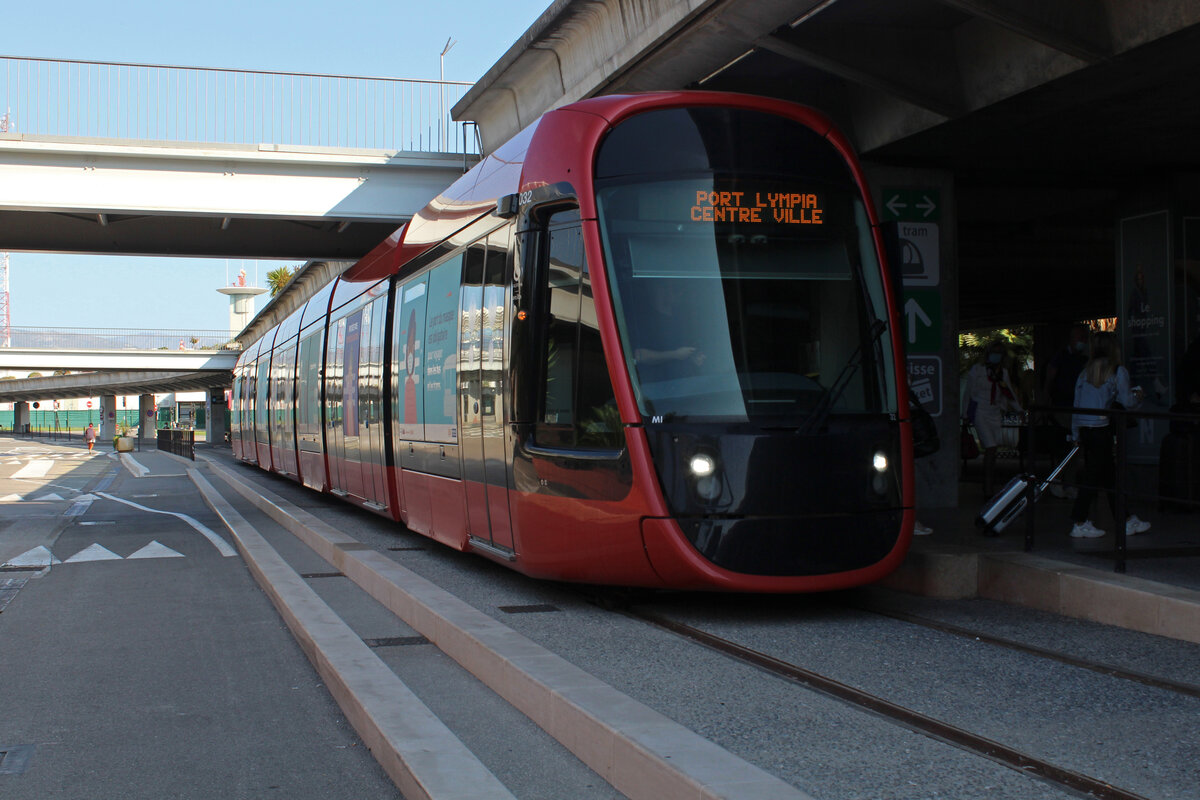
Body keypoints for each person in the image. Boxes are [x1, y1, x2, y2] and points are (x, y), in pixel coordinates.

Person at [1068, 332, 1151, 538]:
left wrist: (1075, 433)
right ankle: (1079, 521)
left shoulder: (1084, 372)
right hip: (1101, 428)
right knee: (1094, 477)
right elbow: (1127, 402)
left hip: (1087, 429)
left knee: (1106, 477)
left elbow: (1076, 405)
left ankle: (1125, 519)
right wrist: (1138, 396)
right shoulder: (1117, 370)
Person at [965, 340, 1022, 496]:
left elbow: (1008, 393)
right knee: (990, 447)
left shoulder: (1002, 373)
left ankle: (989, 483)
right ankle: (988, 487)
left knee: (993, 449)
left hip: (994, 413)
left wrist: (1019, 410)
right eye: (994, 352)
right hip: (980, 412)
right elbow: (968, 393)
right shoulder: (977, 370)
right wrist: (965, 414)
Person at [1043, 324, 1089, 497]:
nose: (1082, 341)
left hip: (1077, 408)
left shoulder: (1083, 359)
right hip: (1062, 407)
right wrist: (1047, 402)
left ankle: (1070, 483)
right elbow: (1050, 379)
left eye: (1084, 338)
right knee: (1063, 445)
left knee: (1075, 447)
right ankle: (1057, 480)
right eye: (1080, 338)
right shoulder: (1060, 357)